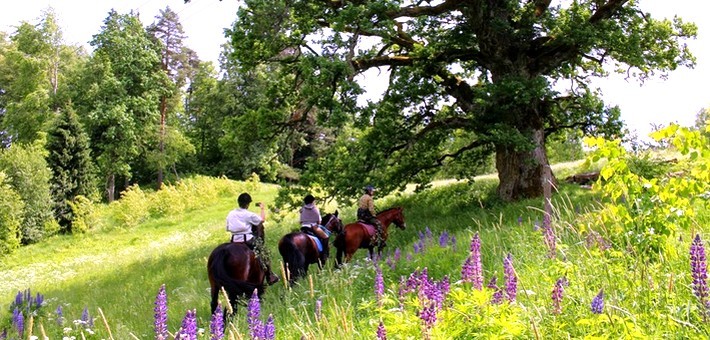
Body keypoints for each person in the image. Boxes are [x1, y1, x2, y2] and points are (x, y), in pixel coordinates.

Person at [226, 192, 279, 285]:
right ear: (248, 204)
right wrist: (262, 208)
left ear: (238, 202)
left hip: (233, 240)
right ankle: (269, 275)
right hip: (247, 239)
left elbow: (227, 228)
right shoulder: (249, 214)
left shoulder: (231, 213)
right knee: (263, 252)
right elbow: (261, 220)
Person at [299, 194, 330, 259]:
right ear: (312, 201)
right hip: (313, 227)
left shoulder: (302, 209)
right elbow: (319, 221)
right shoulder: (315, 209)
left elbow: (300, 221)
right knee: (326, 237)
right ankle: (324, 253)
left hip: (304, 227)